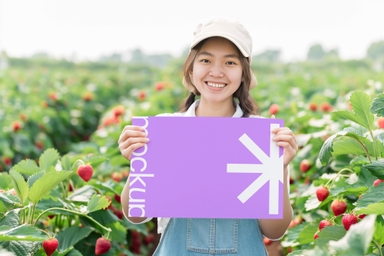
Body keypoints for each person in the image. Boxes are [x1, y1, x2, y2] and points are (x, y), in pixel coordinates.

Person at [118, 17, 298, 255]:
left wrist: (279, 169)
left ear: (244, 73)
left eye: (230, 62)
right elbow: (136, 215)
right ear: (191, 70)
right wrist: (138, 163)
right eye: (205, 60)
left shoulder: (264, 136)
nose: (216, 71)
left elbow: (275, 231)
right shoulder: (165, 130)